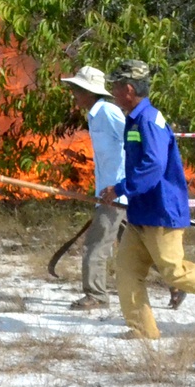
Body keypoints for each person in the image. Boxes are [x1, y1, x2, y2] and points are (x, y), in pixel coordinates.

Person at [100, 59, 195, 339]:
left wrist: (121, 188)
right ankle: (143, 330)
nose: (113, 92)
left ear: (129, 89)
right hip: (141, 213)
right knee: (126, 271)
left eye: (116, 87)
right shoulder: (135, 118)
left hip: (161, 212)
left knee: (175, 274)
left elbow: (153, 166)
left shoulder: (149, 120)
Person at [60, 65, 125, 310]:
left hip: (117, 194)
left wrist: (122, 185)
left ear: (89, 91)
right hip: (111, 193)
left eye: (77, 88)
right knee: (140, 246)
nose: (74, 93)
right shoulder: (95, 114)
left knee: (96, 244)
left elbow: (135, 139)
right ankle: (175, 285)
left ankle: (96, 296)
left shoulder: (108, 111)